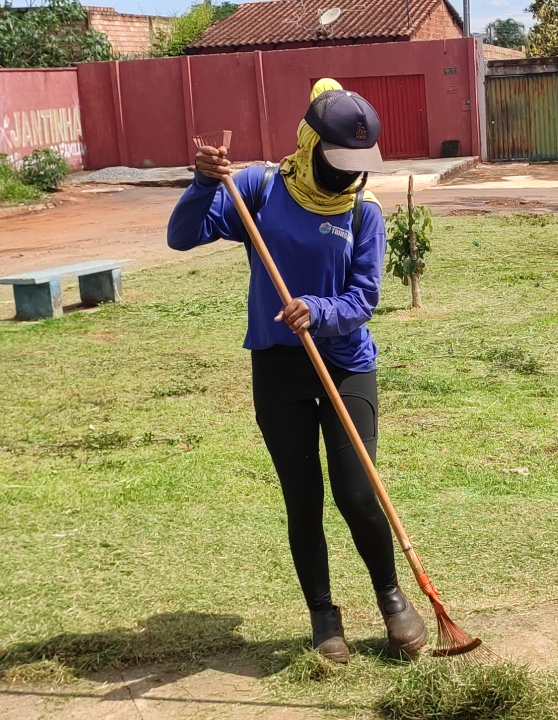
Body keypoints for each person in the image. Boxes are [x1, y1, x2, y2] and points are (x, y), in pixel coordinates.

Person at [166, 81, 427, 662]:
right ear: (310, 145)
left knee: (356, 491)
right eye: (338, 163)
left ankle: (392, 599)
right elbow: (181, 237)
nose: (348, 176)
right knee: (302, 497)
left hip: (344, 362)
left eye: (357, 164)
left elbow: (364, 298)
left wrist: (319, 310)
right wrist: (205, 182)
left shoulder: (363, 211)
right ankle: (323, 616)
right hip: (279, 366)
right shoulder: (260, 188)